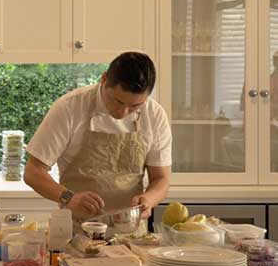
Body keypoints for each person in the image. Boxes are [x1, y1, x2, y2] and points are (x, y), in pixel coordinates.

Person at [23, 52, 171, 222]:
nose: (123, 112)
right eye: (118, 101)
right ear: (104, 79)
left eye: (135, 106)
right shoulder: (69, 107)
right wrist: (69, 198)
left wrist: (149, 200)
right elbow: (33, 171)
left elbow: (161, 178)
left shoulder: (154, 114)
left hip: (130, 233)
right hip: (76, 231)